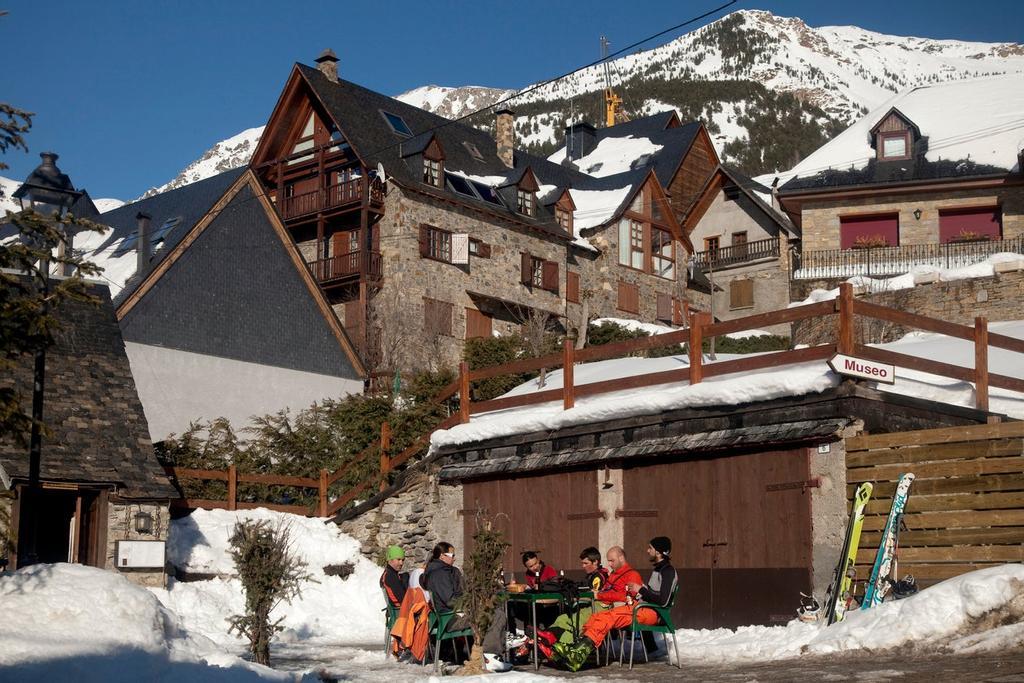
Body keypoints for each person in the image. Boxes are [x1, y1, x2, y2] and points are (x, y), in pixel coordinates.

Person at [554, 537, 678, 671]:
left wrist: (640, 589)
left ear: (658, 552)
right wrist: (640, 592)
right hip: (642, 608)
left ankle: (580, 653)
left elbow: (663, 601)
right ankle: (579, 649)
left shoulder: (668, 571)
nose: (648, 551)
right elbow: (653, 595)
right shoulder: (658, 570)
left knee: (609, 616)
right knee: (599, 616)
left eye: (650, 548)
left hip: (654, 613)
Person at [422, 541, 512, 671]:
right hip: (450, 618)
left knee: (493, 611)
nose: (454, 558)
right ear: (442, 556)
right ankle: (489, 656)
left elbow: (463, 592)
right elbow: (450, 601)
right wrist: (470, 606)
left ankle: (493, 654)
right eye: (452, 555)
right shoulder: (438, 574)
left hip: (458, 613)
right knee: (494, 615)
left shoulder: (450, 571)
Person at [537, 546, 612, 647]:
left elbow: (593, 595)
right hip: (590, 607)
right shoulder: (593, 574)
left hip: (598, 609)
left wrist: (574, 596)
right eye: (582, 563)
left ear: (595, 562)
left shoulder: (598, 576)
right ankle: (549, 637)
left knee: (570, 620)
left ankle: (555, 640)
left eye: (586, 563)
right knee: (563, 617)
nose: (583, 566)